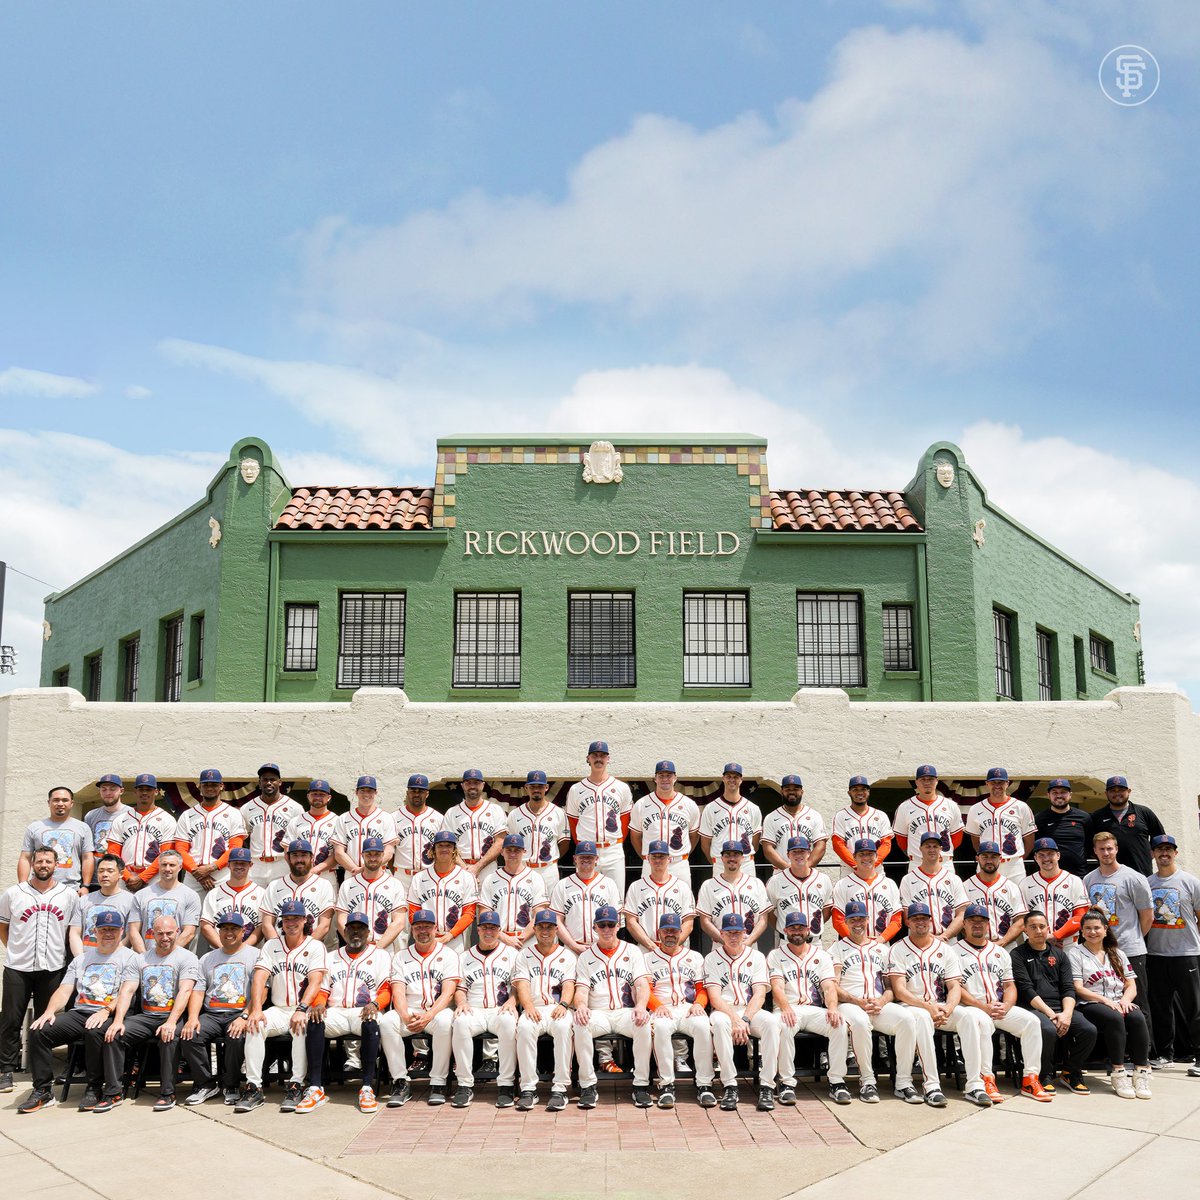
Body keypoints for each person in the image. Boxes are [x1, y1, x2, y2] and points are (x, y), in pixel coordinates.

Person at [19, 910, 139, 1114]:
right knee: (39, 1031)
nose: (108, 933)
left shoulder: (130, 958)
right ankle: (43, 1090)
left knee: (95, 1032)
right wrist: (49, 1011)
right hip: (80, 1012)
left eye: (112, 929)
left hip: (111, 1013)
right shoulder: (82, 958)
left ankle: (94, 1087)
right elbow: (65, 990)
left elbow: (128, 991)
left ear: (121, 931)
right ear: (95, 931)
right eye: (103, 929)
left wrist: (105, 1011)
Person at [0, 847, 81, 1093]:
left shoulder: (68, 895)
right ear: (32, 863)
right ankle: (5, 1071)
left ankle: (41, 1070)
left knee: (45, 1022)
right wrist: (14, 949)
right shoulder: (14, 893)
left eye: (48, 861)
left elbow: (73, 932)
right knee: (11, 1021)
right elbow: (2, 926)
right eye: (39, 861)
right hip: (18, 967)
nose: (43, 864)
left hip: (52, 967)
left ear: (57, 865)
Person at [296, 911, 394, 1114]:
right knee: (314, 1020)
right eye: (351, 928)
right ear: (344, 932)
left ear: (368, 932)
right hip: (337, 1011)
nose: (355, 932)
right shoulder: (332, 957)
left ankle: (367, 1086)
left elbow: (386, 989)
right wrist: (320, 1003)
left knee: (372, 1023)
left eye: (360, 928)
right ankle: (315, 1087)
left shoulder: (380, 955)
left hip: (365, 1010)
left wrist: (376, 1005)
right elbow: (323, 989)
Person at [236, 898, 328, 1113]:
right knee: (255, 1025)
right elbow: (260, 978)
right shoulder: (271, 945)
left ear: (305, 920)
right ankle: (254, 1086)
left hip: (300, 1007)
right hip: (278, 1009)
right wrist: (256, 1010)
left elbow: (315, 980)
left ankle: (296, 1084)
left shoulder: (315, 946)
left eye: (295, 918)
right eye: (287, 919)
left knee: (300, 1026)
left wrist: (302, 1008)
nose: (291, 922)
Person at [830, 900, 926, 1104]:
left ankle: (903, 1082)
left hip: (878, 1003)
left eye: (861, 919)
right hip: (849, 1004)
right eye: (853, 919)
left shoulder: (882, 949)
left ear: (867, 920)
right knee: (860, 1022)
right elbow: (833, 987)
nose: (857, 923)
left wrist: (882, 1001)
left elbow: (891, 987)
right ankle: (867, 1081)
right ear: (846, 922)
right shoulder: (837, 949)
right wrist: (857, 1001)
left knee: (907, 1019)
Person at [770, 911, 869, 1107]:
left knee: (839, 1024)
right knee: (784, 1025)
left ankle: (837, 1081)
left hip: (814, 1009)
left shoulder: (821, 955)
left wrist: (832, 1007)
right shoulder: (776, 954)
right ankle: (787, 1083)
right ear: (785, 930)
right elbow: (777, 987)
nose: (797, 931)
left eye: (801, 927)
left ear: (809, 930)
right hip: (789, 1008)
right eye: (792, 928)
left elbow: (829, 986)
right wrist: (785, 1008)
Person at [956, 904, 1050, 1103]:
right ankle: (986, 1079)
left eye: (982, 922)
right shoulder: (954, 951)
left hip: (999, 1007)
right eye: (973, 921)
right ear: (964, 924)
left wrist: (1006, 1006)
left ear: (988, 924)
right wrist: (982, 1007)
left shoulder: (999, 952)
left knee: (1032, 1022)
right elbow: (956, 988)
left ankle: (1030, 1079)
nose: (977, 925)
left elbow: (1009, 986)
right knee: (982, 1022)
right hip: (971, 1008)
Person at [116, 914, 202, 1112]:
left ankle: (167, 1093)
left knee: (169, 1038)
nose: (165, 937)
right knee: (115, 1034)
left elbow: (185, 991)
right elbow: (127, 990)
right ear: (151, 934)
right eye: (160, 933)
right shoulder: (140, 959)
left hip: (174, 1014)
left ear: (177, 932)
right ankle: (113, 1091)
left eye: (169, 933)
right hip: (147, 1016)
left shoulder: (187, 957)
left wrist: (171, 1022)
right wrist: (118, 1020)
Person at [572, 905, 653, 1108]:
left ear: (618, 926)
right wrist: (581, 1006)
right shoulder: (586, 957)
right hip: (599, 1013)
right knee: (579, 1024)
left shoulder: (633, 951)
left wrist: (642, 1006)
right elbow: (581, 991)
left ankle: (641, 1085)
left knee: (644, 1024)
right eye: (602, 925)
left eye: (610, 924)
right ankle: (588, 1085)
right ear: (595, 928)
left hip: (625, 1012)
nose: (606, 929)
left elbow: (642, 984)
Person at [1011, 910, 1098, 1094]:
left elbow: (1068, 988)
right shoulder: (1017, 954)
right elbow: (1027, 990)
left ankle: (1070, 1072)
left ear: (1048, 928)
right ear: (1025, 930)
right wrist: (1051, 1015)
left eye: (1042, 926)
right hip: (1032, 1007)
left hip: (1061, 1007)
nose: (1038, 931)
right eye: (1033, 927)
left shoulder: (1059, 954)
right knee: (1047, 1029)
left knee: (1088, 1030)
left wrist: (1066, 1015)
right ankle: (1044, 1075)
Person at [379, 908, 460, 1106]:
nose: (422, 930)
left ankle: (438, 1082)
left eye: (427, 926)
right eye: (418, 927)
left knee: (445, 1021)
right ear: (412, 930)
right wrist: (405, 1016)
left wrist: (430, 1015)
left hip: (436, 1011)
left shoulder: (448, 954)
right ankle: (400, 1081)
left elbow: (448, 992)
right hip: (409, 1012)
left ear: (435, 928)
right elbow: (398, 992)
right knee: (387, 1021)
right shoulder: (401, 957)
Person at [1071, 908, 1152, 1098]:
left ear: (1106, 929)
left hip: (1118, 1000)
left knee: (1137, 1017)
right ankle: (1118, 1072)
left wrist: (1125, 1000)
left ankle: (1141, 1072)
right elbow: (1078, 988)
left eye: (1097, 928)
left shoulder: (1117, 953)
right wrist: (1106, 1001)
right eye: (1088, 928)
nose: (1092, 932)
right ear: (1081, 931)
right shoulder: (1075, 953)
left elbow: (1131, 984)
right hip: (1090, 1003)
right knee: (1115, 1018)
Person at [704, 912, 781, 1112]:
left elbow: (760, 995)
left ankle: (767, 1085)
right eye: (729, 933)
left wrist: (745, 1018)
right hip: (725, 1010)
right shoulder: (712, 958)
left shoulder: (756, 957)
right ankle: (730, 1085)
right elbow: (715, 998)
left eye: (737, 932)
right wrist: (735, 1019)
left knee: (772, 1023)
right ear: (721, 934)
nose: (733, 937)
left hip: (750, 1010)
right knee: (719, 1023)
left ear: (744, 933)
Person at [180, 913, 258, 1106]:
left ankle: (231, 1085)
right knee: (190, 1034)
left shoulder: (255, 955)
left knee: (236, 1037)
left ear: (243, 932)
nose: (228, 933)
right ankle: (206, 1083)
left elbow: (260, 991)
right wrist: (192, 1018)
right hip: (212, 1014)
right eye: (224, 928)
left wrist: (245, 1016)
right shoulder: (207, 958)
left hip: (239, 1012)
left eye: (234, 929)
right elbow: (198, 991)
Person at [886, 904, 959, 1107]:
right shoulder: (897, 949)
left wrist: (949, 1008)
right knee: (922, 1017)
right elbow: (899, 991)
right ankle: (932, 1085)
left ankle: (976, 1084)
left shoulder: (945, 949)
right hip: (909, 1005)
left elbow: (954, 986)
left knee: (973, 1018)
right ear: (907, 922)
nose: (920, 922)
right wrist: (929, 1007)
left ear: (931, 920)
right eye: (915, 918)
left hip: (941, 1007)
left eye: (924, 918)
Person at [1083, 831, 1154, 1037]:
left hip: (1130, 949)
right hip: (1102, 952)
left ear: (1116, 849)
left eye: (1110, 848)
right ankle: (1118, 1052)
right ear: (1095, 851)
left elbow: (1147, 916)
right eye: (1102, 849)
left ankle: (1145, 1052)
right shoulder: (1088, 879)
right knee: (1109, 1001)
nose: (1106, 853)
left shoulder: (1134, 878)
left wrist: (1133, 938)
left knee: (1137, 1002)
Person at [645, 912, 715, 1109]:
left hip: (687, 1008)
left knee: (702, 1025)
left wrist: (699, 1005)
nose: (670, 934)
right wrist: (657, 1006)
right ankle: (667, 1084)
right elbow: (644, 990)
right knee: (659, 1028)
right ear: (659, 932)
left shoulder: (694, 957)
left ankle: (704, 1084)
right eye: (666, 930)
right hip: (661, 1008)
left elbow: (702, 989)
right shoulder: (648, 958)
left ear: (680, 932)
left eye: (674, 931)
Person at [451, 910, 519, 1108]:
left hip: (501, 1008)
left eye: (493, 928)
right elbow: (460, 988)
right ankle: (464, 1084)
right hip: (475, 1009)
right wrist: (462, 1002)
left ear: (499, 930)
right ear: (478, 930)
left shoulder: (512, 954)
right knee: (460, 1023)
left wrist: (513, 1001)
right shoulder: (465, 957)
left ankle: (506, 1084)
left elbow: (518, 985)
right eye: (484, 927)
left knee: (508, 1023)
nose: (488, 931)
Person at [511, 910, 576, 1111]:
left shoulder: (567, 955)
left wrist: (564, 1004)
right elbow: (521, 983)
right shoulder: (524, 955)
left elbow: (569, 985)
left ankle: (560, 1088)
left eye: (549, 927)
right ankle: (529, 1088)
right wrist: (528, 1006)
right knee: (523, 1028)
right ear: (535, 929)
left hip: (558, 1008)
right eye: (541, 927)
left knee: (564, 1028)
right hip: (535, 1007)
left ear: (556, 929)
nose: (545, 931)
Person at [1146, 835, 1200, 1074]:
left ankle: (1198, 1055)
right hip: (1156, 953)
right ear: (1153, 854)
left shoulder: (1190, 882)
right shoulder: (1147, 883)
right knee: (1160, 1007)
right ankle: (1164, 1054)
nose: (1164, 853)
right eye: (1159, 850)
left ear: (1175, 853)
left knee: (1194, 1007)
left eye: (1168, 849)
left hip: (1186, 952)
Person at [565, 740, 633, 894]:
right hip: (587, 851)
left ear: (608, 759)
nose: (598, 758)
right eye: (595, 755)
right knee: (586, 895)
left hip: (613, 850)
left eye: (603, 755)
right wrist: (584, 845)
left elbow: (625, 820)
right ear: (588, 759)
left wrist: (615, 840)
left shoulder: (621, 787)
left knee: (616, 896)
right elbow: (573, 822)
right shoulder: (577, 789)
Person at [173, 769, 247, 895]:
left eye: (214, 784)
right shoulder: (187, 815)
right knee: (191, 913)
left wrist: (212, 867)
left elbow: (235, 849)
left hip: (222, 874)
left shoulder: (233, 814)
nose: (209, 788)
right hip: (193, 875)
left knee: (222, 912)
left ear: (221, 786)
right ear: (199, 787)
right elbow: (180, 848)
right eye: (206, 784)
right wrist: (196, 871)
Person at [629, 761, 700, 886]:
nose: (665, 779)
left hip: (678, 863)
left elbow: (694, 836)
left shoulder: (689, 804)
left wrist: (683, 853)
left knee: (682, 903)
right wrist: (648, 858)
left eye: (669, 775)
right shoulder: (641, 804)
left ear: (675, 778)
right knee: (649, 902)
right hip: (651, 864)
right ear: (655, 779)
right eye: (661, 775)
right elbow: (635, 836)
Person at [407, 831, 479, 952]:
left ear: (454, 850)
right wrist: (424, 932)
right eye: (440, 845)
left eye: (448, 845)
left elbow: (469, 913)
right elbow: (413, 912)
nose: (444, 849)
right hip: (426, 938)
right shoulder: (419, 878)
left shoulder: (466, 877)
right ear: (433, 849)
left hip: (455, 939)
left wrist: (450, 935)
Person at [106, 773, 176, 890]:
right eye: (141, 789)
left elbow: (166, 854)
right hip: (125, 876)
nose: (144, 793)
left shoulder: (167, 819)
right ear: (135, 792)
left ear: (156, 792)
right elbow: (113, 852)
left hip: (155, 876)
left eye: (148, 789)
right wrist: (127, 877)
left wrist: (143, 878)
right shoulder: (121, 819)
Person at [335, 836, 407, 950]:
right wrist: (353, 944)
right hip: (355, 947)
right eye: (369, 854)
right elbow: (341, 920)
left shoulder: (395, 884)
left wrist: (378, 948)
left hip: (385, 948)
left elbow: (399, 922)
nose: (373, 858)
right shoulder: (348, 885)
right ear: (362, 855)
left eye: (377, 854)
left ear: (383, 855)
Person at [549, 841, 621, 956]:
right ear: (575, 859)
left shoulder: (609, 884)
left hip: (602, 948)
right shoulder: (562, 885)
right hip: (571, 949)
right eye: (582, 856)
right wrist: (573, 945)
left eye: (590, 857)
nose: (586, 860)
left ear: (596, 859)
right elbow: (557, 920)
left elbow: (616, 921)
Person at [622, 840, 695, 952]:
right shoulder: (636, 887)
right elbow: (631, 923)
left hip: (677, 949)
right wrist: (652, 947)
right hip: (645, 949)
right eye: (654, 856)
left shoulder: (682, 887)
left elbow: (688, 924)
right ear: (648, 859)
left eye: (661, 856)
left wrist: (671, 947)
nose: (657, 860)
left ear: (669, 859)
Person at [19, 786, 93, 894]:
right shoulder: (34, 827)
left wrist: (85, 886)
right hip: (39, 888)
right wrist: (22, 886)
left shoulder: (83, 828)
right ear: (49, 802)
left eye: (65, 800)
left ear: (71, 803)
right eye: (56, 800)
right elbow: (25, 858)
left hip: (72, 889)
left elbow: (87, 858)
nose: (60, 803)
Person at [964, 768, 1035, 881]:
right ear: (987, 784)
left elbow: (1029, 839)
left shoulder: (1021, 807)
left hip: (1013, 865)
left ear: (1007, 784)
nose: (997, 786)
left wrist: (1018, 858)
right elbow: (975, 839)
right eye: (993, 782)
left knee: (1016, 898)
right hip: (986, 865)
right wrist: (985, 858)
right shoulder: (975, 809)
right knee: (986, 898)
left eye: (1001, 782)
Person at [1086, 775, 1164, 877]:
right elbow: (1089, 843)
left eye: (1121, 790)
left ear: (1129, 791)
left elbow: (1159, 838)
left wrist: (1150, 854)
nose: (1117, 793)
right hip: (1110, 875)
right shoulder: (1097, 816)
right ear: (1106, 793)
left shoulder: (1144, 812)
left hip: (1141, 872)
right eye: (1112, 790)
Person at [259, 839, 336, 942]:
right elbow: (267, 924)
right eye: (295, 855)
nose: (299, 859)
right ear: (287, 858)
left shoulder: (324, 885)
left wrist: (303, 949)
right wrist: (279, 948)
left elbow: (324, 926)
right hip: (279, 949)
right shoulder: (274, 886)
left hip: (311, 949)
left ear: (311, 857)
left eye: (304, 855)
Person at [696, 842, 771, 946]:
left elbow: (763, 920)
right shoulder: (708, 885)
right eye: (727, 855)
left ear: (742, 858)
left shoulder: (756, 883)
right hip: (720, 947)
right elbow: (705, 922)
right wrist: (726, 942)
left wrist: (748, 942)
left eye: (736, 855)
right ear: (721, 858)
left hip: (750, 946)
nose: (732, 858)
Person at [241, 763, 304, 886]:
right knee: (255, 903)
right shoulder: (247, 808)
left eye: (272, 779)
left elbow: (300, 839)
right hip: (256, 864)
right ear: (259, 783)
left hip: (282, 863)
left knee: (281, 902)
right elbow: (243, 837)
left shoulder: (295, 808)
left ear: (280, 782)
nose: (268, 782)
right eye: (264, 779)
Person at [507, 770, 569, 893]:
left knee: (548, 909)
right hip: (523, 867)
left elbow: (564, 843)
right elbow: (509, 845)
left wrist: (550, 858)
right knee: (523, 906)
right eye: (533, 786)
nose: (536, 789)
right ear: (526, 788)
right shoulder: (515, 814)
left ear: (546, 787)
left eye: (540, 786)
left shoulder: (558, 813)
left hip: (548, 870)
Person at [481, 834, 547, 949]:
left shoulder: (535, 878)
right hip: (498, 940)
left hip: (527, 940)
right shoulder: (491, 879)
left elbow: (539, 915)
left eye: (517, 850)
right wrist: (505, 938)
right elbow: (484, 914)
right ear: (502, 852)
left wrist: (521, 938)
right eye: (509, 850)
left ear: (524, 852)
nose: (512, 854)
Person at [898, 831, 967, 941]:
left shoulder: (953, 879)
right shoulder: (908, 879)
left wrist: (945, 936)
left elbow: (961, 915)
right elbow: (907, 917)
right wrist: (932, 938)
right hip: (920, 940)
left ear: (940, 849)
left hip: (949, 940)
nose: (931, 849)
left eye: (935, 846)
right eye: (927, 846)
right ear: (920, 848)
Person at [127, 849, 201, 951]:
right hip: (146, 959)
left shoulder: (191, 895)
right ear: (158, 867)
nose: (167, 868)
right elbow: (134, 931)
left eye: (172, 865)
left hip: (176, 959)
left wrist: (168, 955)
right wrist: (144, 957)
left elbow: (189, 933)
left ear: (180, 867)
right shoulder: (141, 895)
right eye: (164, 865)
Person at [892, 765, 962, 871]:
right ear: (916, 782)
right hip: (917, 862)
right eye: (923, 779)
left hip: (944, 862)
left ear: (937, 781)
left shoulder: (951, 805)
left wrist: (941, 852)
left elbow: (957, 836)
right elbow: (901, 839)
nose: (927, 783)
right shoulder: (904, 807)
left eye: (930, 779)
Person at [445, 769, 508, 885]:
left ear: (483, 785)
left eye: (476, 783)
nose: (472, 786)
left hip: (488, 867)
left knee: (487, 903)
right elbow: (447, 844)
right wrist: (465, 868)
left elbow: (500, 841)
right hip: (460, 867)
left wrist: (477, 867)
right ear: (463, 786)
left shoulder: (495, 810)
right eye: (468, 783)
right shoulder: (452, 812)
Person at [830, 840, 901, 943]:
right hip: (852, 945)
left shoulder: (890, 884)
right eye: (862, 854)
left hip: (881, 944)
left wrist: (882, 939)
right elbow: (838, 920)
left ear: (876, 856)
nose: (866, 858)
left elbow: (896, 920)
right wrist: (857, 941)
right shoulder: (842, 884)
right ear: (854, 857)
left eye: (870, 854)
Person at [698, 764, 763, 874]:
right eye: (729, 776)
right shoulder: (710, 808)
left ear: (741, 780)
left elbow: (755, 842)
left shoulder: (753, 808)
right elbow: (705, 844)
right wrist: (716, 862)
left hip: (746, 863)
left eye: (736, 777)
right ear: (723, 779)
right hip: (720, 863)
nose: (732, 780)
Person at [766, 836, 833, 943]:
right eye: (794, 852)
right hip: (787, 942)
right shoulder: (775, 881)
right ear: (788, 855)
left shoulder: (823, 880)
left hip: (815, 943)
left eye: (802, 851)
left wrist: (815, 925)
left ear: (809, 853)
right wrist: (783, 928)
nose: (798, 855)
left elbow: (827, 910)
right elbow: (769, 913)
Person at [1022, 838, 1089, 945]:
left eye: (1050, 854)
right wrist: (1041, 939)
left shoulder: (1074, 881)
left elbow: (1081, 916)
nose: (1046, 858)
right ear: (1035, 858)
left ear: (1058, 855)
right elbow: (1022, 919)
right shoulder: (1025, 884)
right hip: (1035, 945)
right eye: (1041, 855)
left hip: (1068, 945)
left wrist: (1056, 936)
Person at [331, 775, 398, 875]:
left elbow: (389, 851)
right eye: (362, 790)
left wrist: (363, 869)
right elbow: (338, 852)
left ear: (376, 793)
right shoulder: (344, 818)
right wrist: (355, 869)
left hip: (378, 873)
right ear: (356, 792)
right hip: (351, 873)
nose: (366, 794)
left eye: (370, 790)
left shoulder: (386, 818)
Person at [199, 847, 264, 947]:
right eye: (235, 863)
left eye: (243, 863)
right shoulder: (214, 893)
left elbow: (262, 926)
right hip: (220, 952)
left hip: (252, 952)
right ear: (228, 865)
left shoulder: (261, 893)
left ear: (250, 865)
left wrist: (243, 950)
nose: (239, 866)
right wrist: (223, 949)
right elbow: (206, 925)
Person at [963, 843, 1025, 946]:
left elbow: (1020, 921)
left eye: (994, 857)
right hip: (973, 946)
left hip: (1006, 946)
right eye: (985, 856)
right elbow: (961, 920)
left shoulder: (1011, 887)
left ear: (1000, 859)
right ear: (977, 858)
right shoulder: (965, 886)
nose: (989, 861)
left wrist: (1003, 942)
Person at [761, 775, 828, 870]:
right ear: (782, 791)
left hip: (808, 872)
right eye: (787, 789)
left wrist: (805, 867)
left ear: (802, 791)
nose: (791, 792)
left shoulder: (814, 815)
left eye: (796, 789)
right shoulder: (771, 817)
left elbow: (820, 845)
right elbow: (767, 848)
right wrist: (787, 868)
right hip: (781, 872)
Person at [72, 853, 135, 953]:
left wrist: (113, 956)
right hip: (87, 960)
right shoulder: (84, 900)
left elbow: (130, 935)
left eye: (110, 871)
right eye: (101, 871)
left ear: (121, 874)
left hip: (116, 960)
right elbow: (75, 933)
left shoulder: (131, 901)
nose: (104, 874)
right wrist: (80, 959)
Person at [831, 776, 892, 878]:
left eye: (863, 789)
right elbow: (838, 844)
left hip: (876, 869)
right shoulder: (841, 816)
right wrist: (856, 865)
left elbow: (886, 844)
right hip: (849, 870)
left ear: (868, 792)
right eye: (855, 789)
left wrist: (872, 864)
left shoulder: (880, 815)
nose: (859, 793)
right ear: (849, 793)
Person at [284, 779, 340, 879]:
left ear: (329, 797)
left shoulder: (337, 821)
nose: (317, 797)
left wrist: (316, 870)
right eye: (314, 794)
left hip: (326, 874)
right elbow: (287, 850)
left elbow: (337, 854)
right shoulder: (296, 821)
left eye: (322, 794)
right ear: (308, 796)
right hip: (300, 874)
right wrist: (299, 871)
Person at [1035, 779, 1090, 875]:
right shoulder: (1039, 819)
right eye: (1054, 792)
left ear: (1070, 795)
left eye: (1063, 792)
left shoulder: (1084, 817)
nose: (1059, 796)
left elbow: (1089, 844)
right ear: (1048, 795)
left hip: (1079, 874)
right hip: (1050, 875)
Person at [85, 774, 131, 861]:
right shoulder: (90, 816)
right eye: (104, 789)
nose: (108, 793)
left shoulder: (132, 814)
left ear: (121, 791)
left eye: (112, 789)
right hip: (97, 871)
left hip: (122, 871)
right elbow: (87, 849)